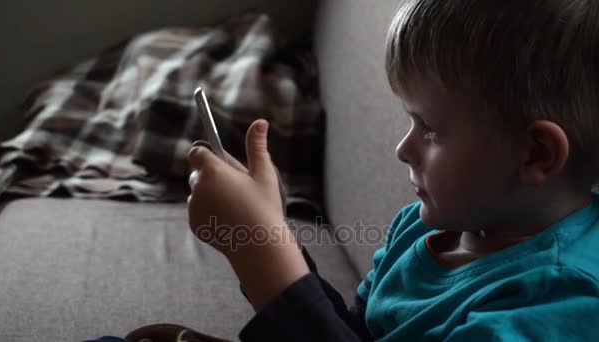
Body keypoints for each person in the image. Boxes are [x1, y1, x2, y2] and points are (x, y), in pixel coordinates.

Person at [90, 0, 599, 340]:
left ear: (535, 155)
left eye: (431, 129)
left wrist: (260, 249)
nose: (403, 149)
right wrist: (277, 241)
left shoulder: (560, 304)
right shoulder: (425, 225)